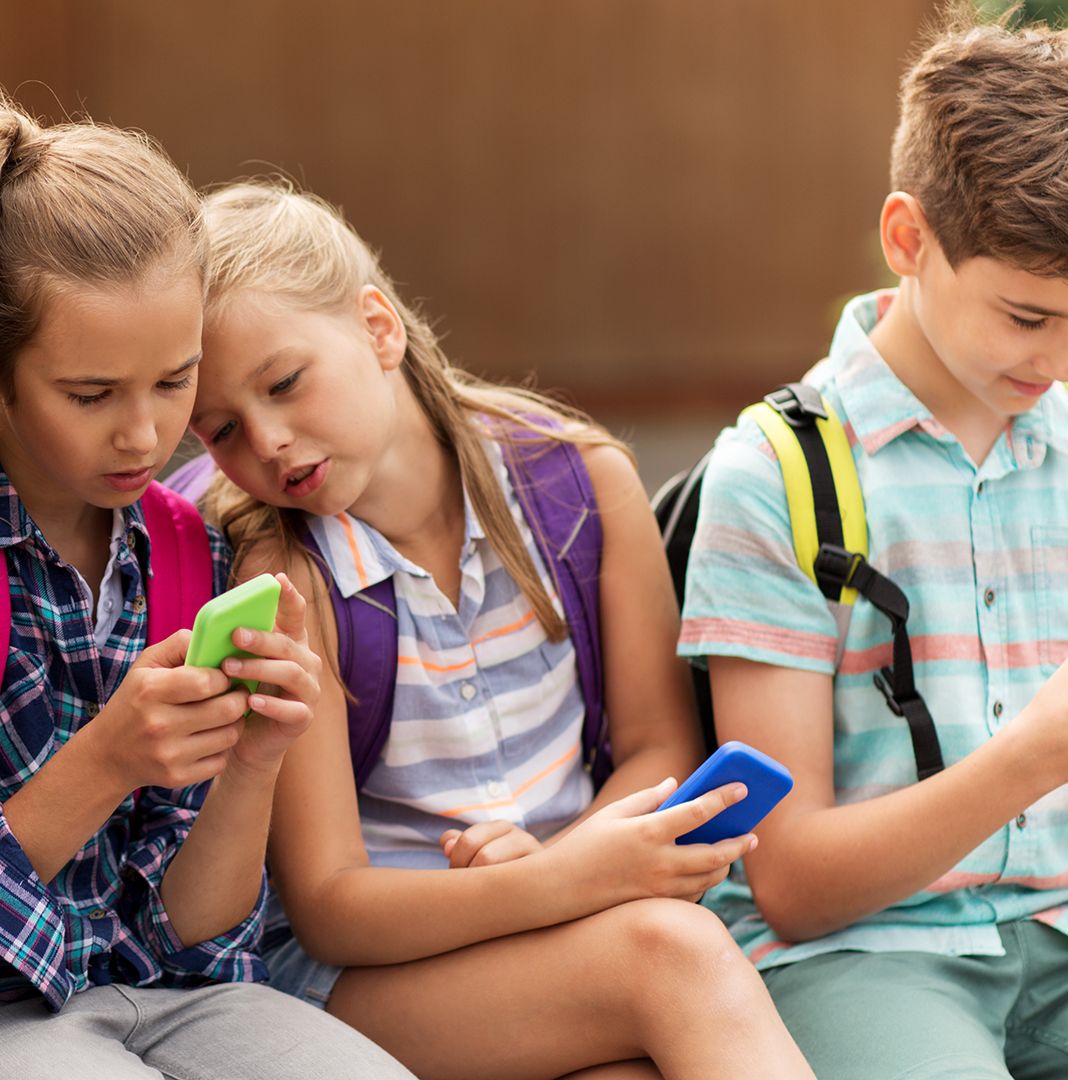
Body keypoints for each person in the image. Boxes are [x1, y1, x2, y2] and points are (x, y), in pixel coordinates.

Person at [0, 92, 413, 1080]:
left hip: (159, 999)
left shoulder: (188, 550)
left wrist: (252, 765)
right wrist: (106, 761)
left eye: (175, 383)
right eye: (91, 395)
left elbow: (194, 943)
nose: (144, 435)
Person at [188, 180, 818, 1080]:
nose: (270, 442)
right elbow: (328, 906)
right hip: (366, 980)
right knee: (673, 956)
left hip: (577, 928)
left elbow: (656, 745)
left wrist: (568, 864)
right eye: (222, 430)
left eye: (285, 383)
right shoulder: (285, 574)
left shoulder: (583, 484)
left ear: (378, 328)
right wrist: (563, 882)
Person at [678, 9, 1068, 1078]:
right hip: (870, 951)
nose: (1059, 359)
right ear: (908, 240)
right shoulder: (778, 476)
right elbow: (792, 883)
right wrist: (1035, 755)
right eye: (1028, 318)